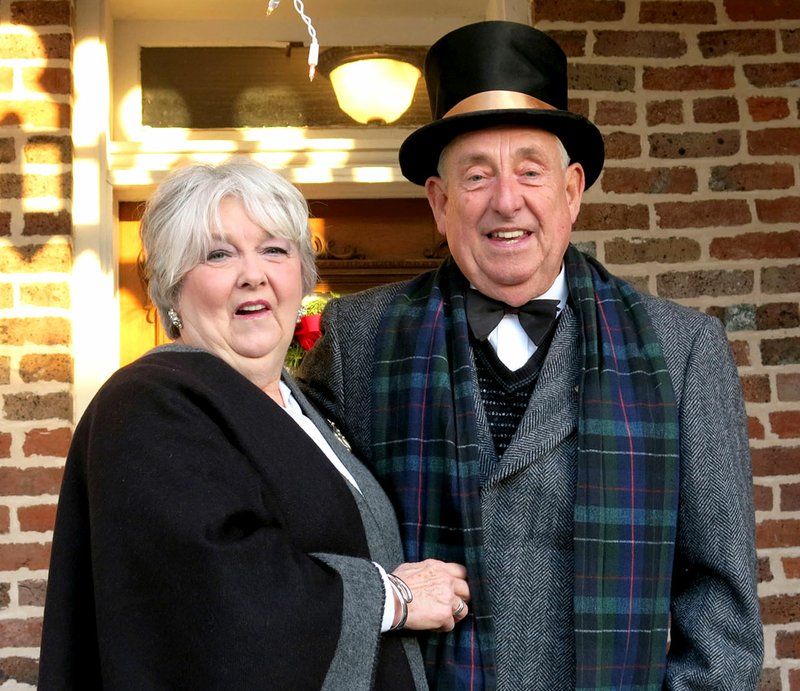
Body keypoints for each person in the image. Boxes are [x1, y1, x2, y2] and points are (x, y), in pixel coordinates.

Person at [298, 20, 763, 691]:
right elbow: (302, 540)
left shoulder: (683, 351)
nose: (505, 200)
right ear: (440, 201)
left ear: (571, 191)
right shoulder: (358, 340)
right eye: (477, 174)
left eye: (529, 170)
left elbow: (722, 607)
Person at [38, 160, 471, 690]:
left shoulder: (304, 406)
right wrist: (395, 598)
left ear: (302, 276)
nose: (253, 274)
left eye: (274, 249)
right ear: (174, 287)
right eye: (219, 254)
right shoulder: (148, 404)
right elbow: (219, 595)